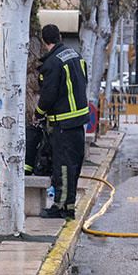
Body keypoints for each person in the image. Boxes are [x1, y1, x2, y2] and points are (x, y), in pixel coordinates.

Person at [36, 24, 89, 220]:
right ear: (58, 37)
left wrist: (38, 112)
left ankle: (63, 207)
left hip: (63, 123)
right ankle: (66, 203)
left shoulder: (52, 64)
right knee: (73, 165)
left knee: (63, 166)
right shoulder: (76, 56)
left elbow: (48, 95)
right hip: (78, 120)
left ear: (44, 41)